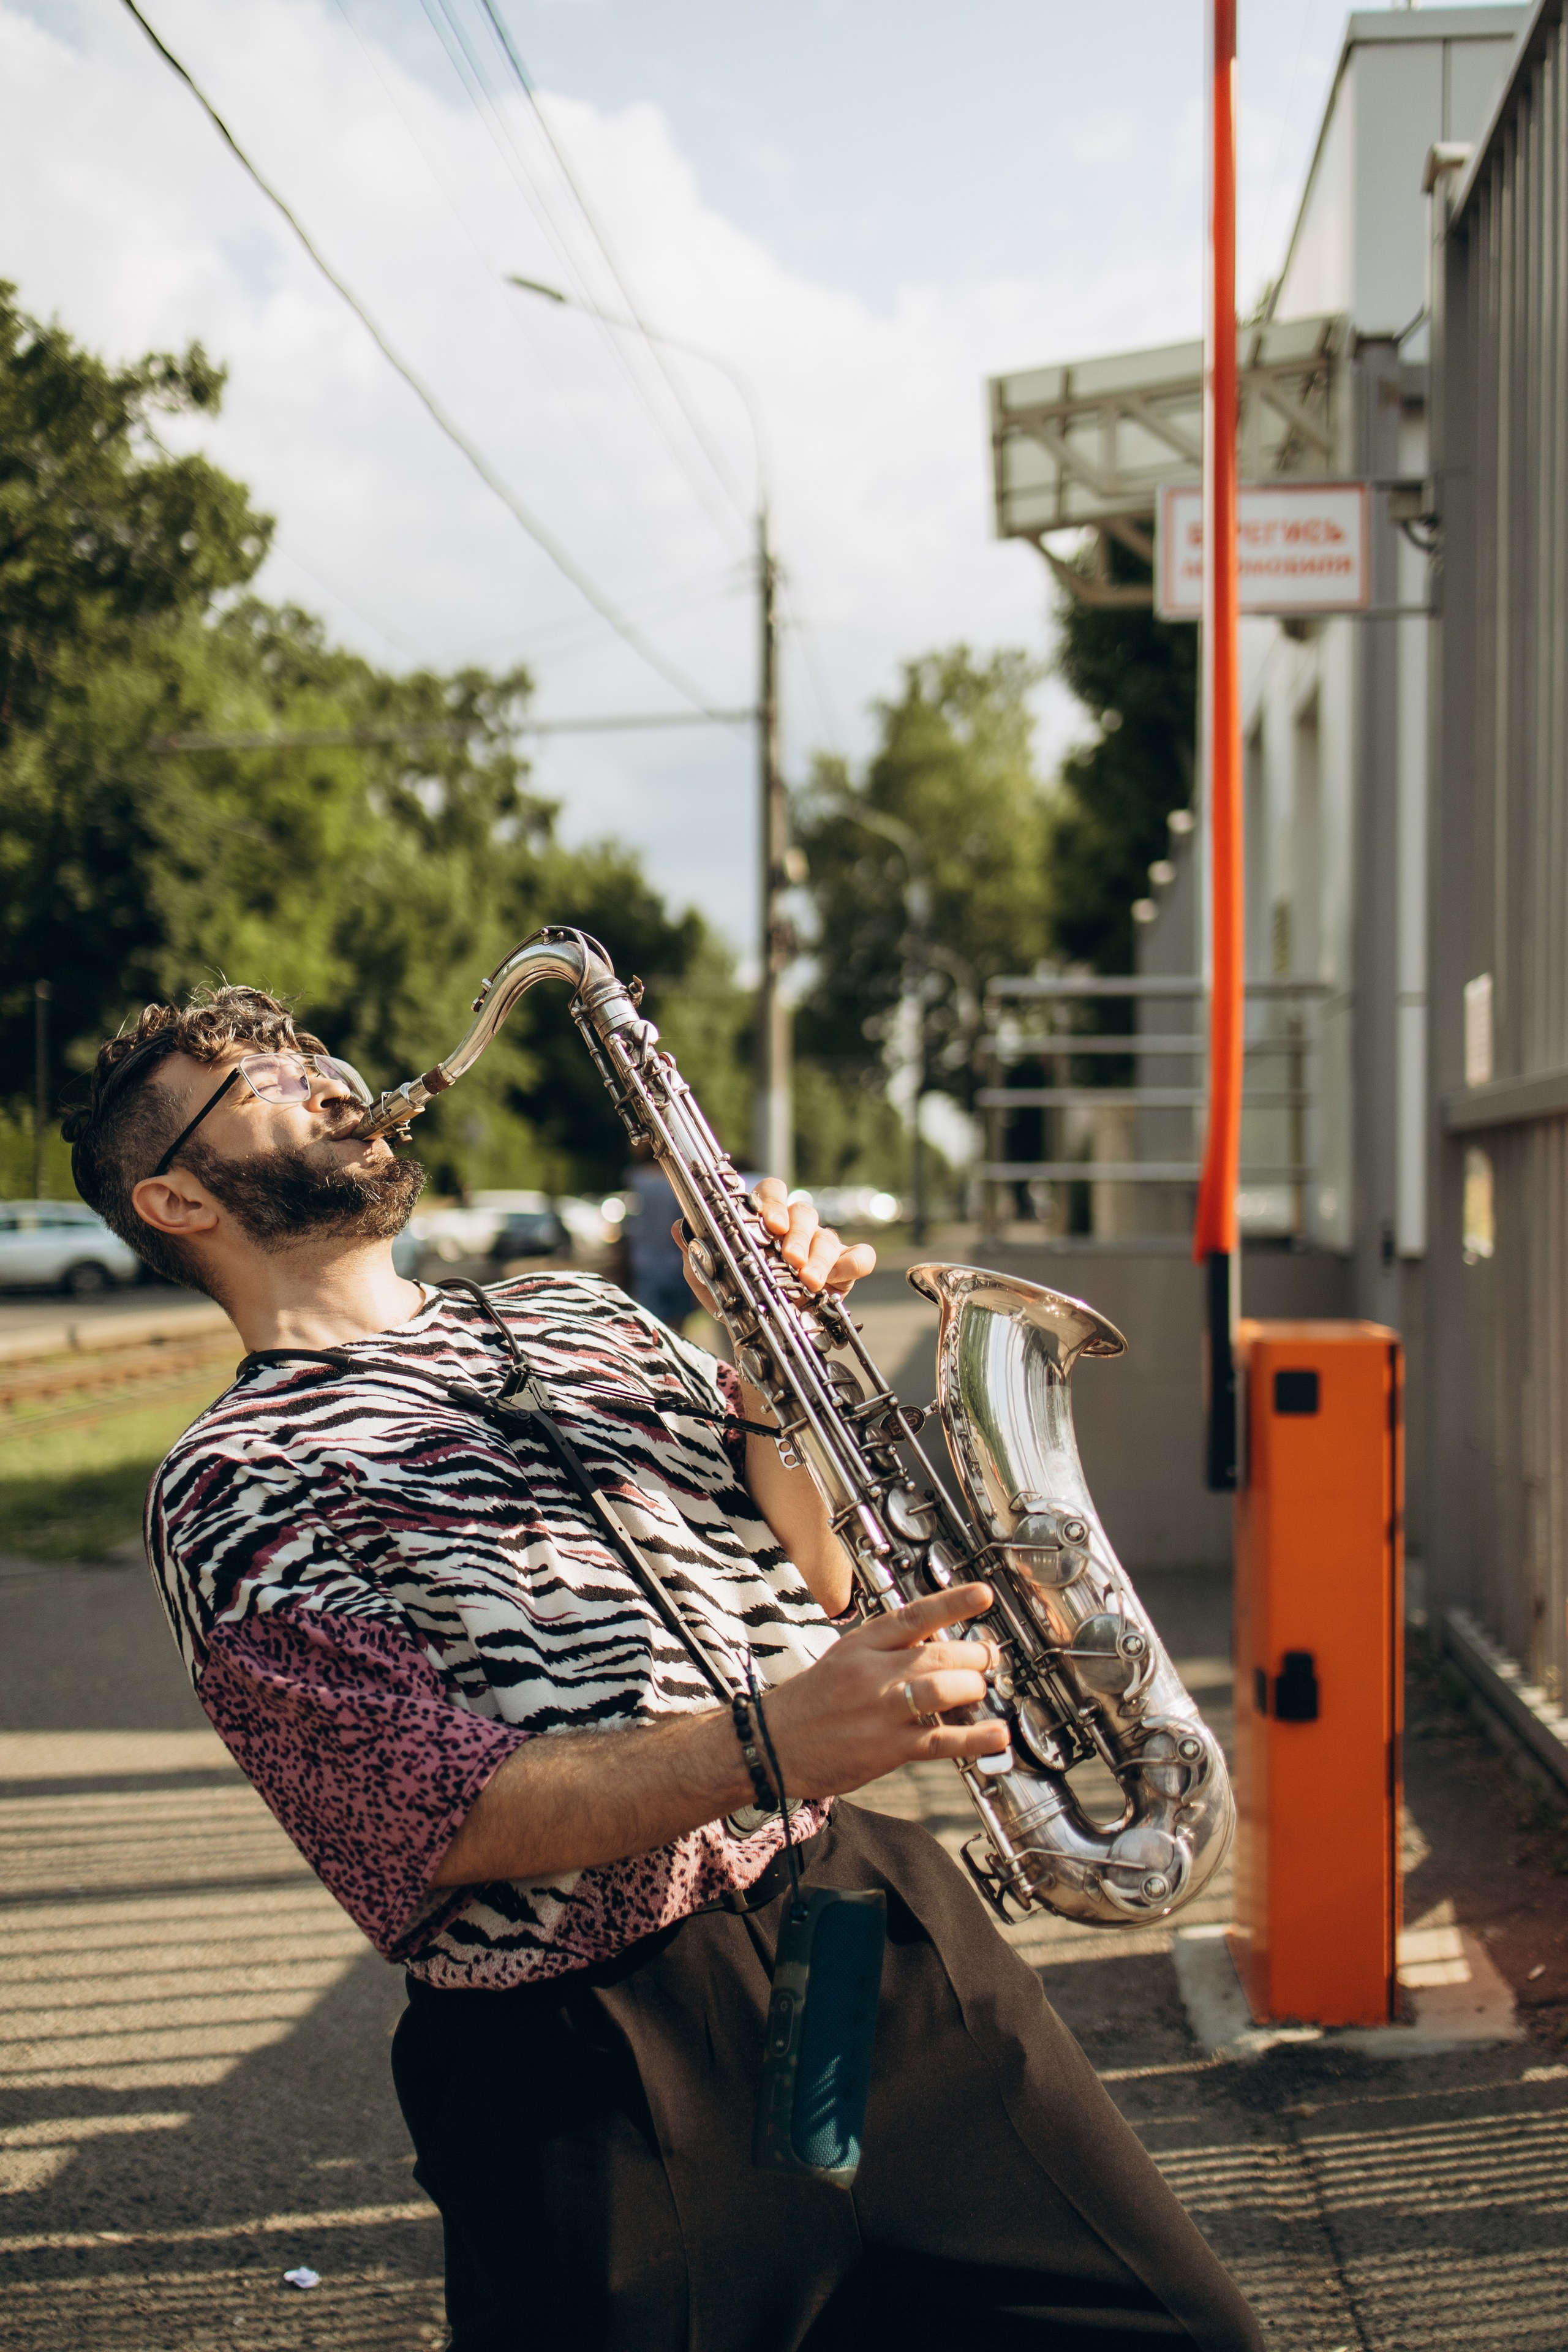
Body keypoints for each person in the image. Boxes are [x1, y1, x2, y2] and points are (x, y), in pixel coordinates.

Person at [64, 984, 1262, 2352]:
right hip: (595, 2066)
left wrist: (771, 1360)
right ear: (176, 1202)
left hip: (850, 1937)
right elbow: (429, 1816)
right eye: (265, 1082)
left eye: (314, 1052)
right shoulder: (233, 1482)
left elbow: (810, 1572)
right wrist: (771, 1742)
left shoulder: (587, 1320)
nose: (329, 1080)